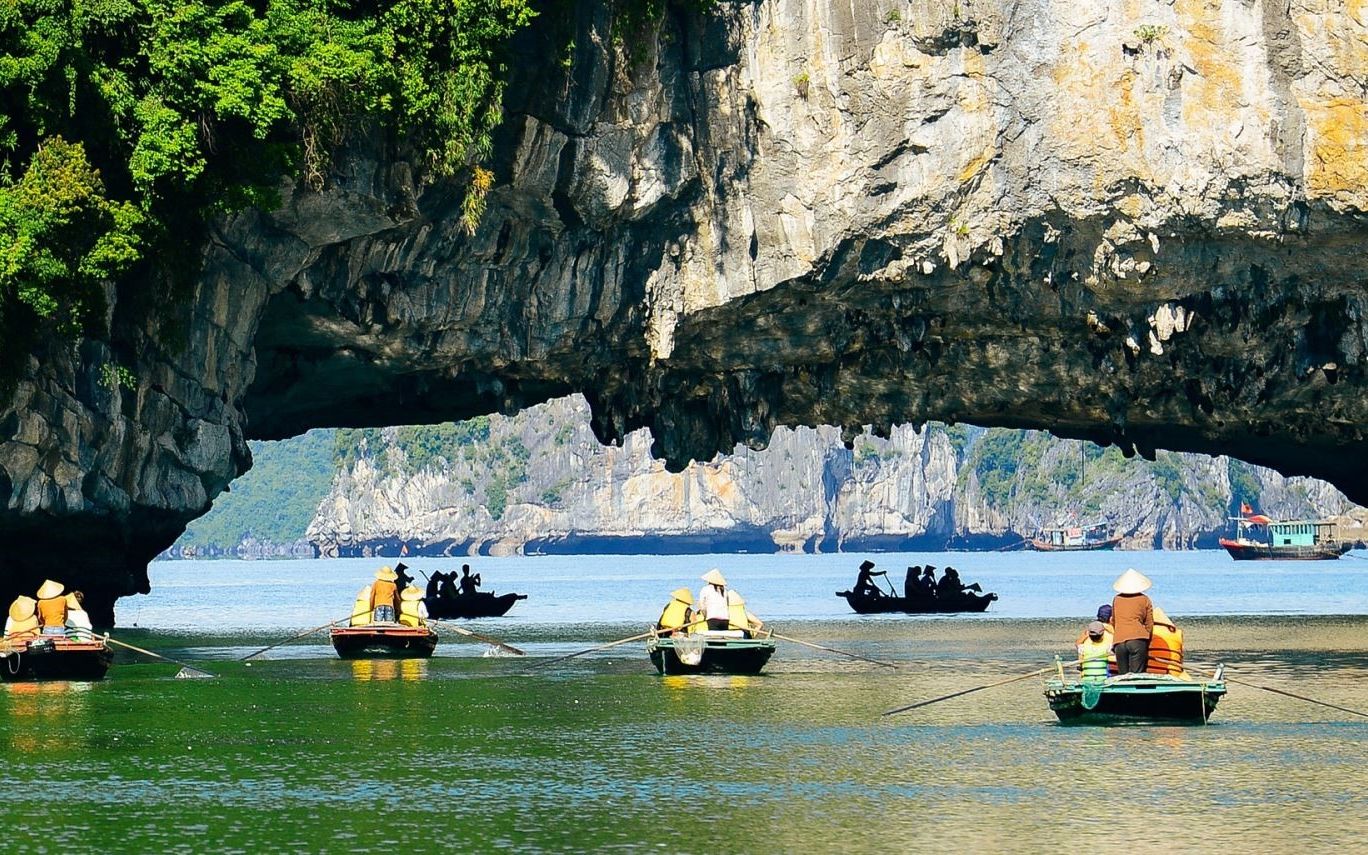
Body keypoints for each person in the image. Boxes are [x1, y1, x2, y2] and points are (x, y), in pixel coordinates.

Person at [1110, 569, 1154, 674]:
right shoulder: (1144, 599)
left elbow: (1114, 621)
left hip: (1119, 641)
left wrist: (1119, 632)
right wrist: (1147, 639)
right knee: (1136, 675)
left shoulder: (1117, 599)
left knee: (1122, 675)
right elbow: (1149, 623)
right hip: (1137, 639)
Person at [1146, 606, 1187, 677]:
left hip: (1149, 671)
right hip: (1174, 673)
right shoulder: (1177, 633)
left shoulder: (1146, 632)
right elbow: (1181, 658)